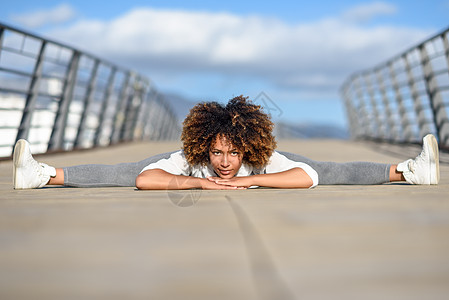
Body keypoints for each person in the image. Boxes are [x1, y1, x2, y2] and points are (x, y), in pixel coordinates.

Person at [13, 95, 440, 190]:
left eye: (233, 153)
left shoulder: (260, 160)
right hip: (181, 172)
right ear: (203, 147)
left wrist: (248, 182)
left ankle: (410, 170)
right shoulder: (192, 160)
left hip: (271, 170)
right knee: (126, 172)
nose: (224, 162)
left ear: (249, 150)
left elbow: (306, 176)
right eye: (216, 152)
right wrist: (198, 184)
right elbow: (145, 180)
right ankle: (40, 174)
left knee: (330, 169)